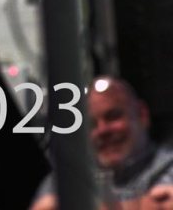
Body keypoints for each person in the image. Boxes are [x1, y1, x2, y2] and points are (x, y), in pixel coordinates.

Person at [30, 76, 173, 210]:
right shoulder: (63, 179)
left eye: (113, 117)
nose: (102, 130)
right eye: (92, 124)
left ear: (142, 115)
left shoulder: (168, 167)